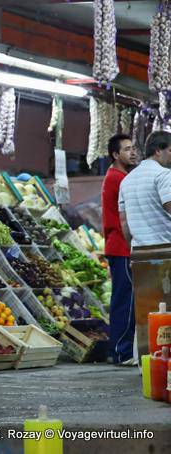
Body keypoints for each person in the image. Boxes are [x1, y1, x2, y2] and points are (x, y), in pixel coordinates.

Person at [119, 130, 171, 364]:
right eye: (170, 151)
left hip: (139, 253)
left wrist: (134, 245)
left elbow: (124, 221)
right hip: (165, 250)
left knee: (146, 311)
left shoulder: (127, 180)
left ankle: (146, 362)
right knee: (166, 311)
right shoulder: (163, 175)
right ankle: (165, 364)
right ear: (159, 150)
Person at [101, 134, 138, 365]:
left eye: (134, 148)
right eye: (127, 149)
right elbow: (121, 219)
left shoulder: (121, 177)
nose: (132, 152)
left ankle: (121, 349)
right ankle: (121, 351)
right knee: (124, 300)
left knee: (125, 299)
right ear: (115, 154)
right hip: (121, 246)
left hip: (119, 246)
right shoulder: (117, 178)